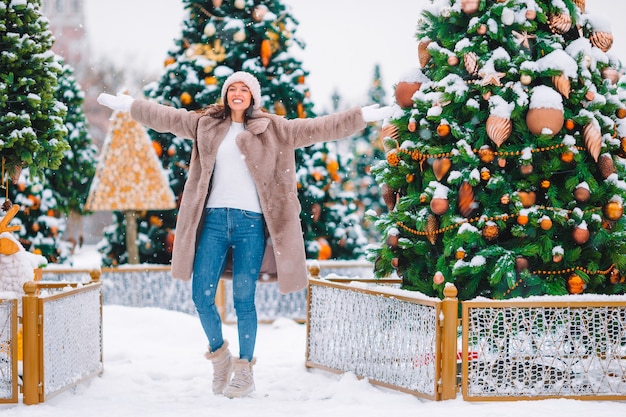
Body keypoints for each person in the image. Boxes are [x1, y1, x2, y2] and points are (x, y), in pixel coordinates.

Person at [97, 71, 394, 398]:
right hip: (212, 222)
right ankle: (220, 356)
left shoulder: (273, 128)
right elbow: (166, 117)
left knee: (243, 299)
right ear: (226, 94)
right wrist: (130, 107)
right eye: (232, 88)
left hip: (251, 225)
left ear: (253, 96)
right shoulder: (205, 124)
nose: (238, 93)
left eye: (244, 89)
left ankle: (245, 372)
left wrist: (360, 116)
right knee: (201, 295)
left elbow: (318, 128)